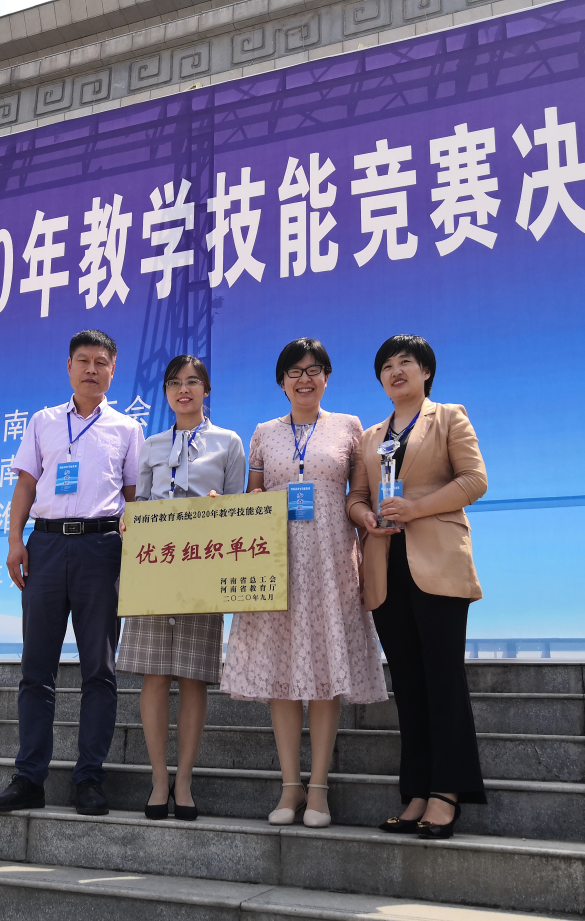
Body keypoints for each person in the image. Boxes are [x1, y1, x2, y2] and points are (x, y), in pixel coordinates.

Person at [221, 338, 387, 829]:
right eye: (294, 371)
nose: (304, 379)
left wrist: (370, 528)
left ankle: (318, 789)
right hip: (276, 561)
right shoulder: (263, 433)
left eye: (314, 370)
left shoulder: (349, 427)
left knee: (324, 670)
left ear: (327, 377)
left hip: (331, 560)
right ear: (281, 382)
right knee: (281, 672)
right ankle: (289, 786)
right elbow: (253, 497)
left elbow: (359, 494)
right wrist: (223, 506)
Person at [0, 329, 144, 817]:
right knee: (36, 670)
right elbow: (25, 486)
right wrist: (15, 541)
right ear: (69, 367)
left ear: (113, 370)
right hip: (47, 546)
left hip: (102, 548)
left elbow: (134, 499)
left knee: (100, 669)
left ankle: (89, 779)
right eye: (83, 361)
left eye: (101, 362)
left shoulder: (127, 429)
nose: (91, 369)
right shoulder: (43, 422)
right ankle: (29, 778)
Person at [347, 334, 488, 840]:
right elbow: (356, 496)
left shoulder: (448, 417)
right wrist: (366, 517)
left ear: (426, 370)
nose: (396, 371)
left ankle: (448, 791)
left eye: (405, 362)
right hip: (386, 567)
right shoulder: (370, 436)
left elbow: (474, 480)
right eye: (386, 365)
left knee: (442, 678)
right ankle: (417, 793)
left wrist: (415, 508)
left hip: (438, 563)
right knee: (407, 683)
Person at [117, 355, 246, 821]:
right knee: (154, 675)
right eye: (174, 383)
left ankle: (185, 781)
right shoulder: (151, 444)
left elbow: (238, 507)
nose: (183, 390)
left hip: (202, 569)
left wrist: (220, 505)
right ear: (167, 393)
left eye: (192, 382)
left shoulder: (229, 442)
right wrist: (129, 521)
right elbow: (138, 504)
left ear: (206, 390)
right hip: (154, 568)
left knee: (193, 677)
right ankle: (158, 780)